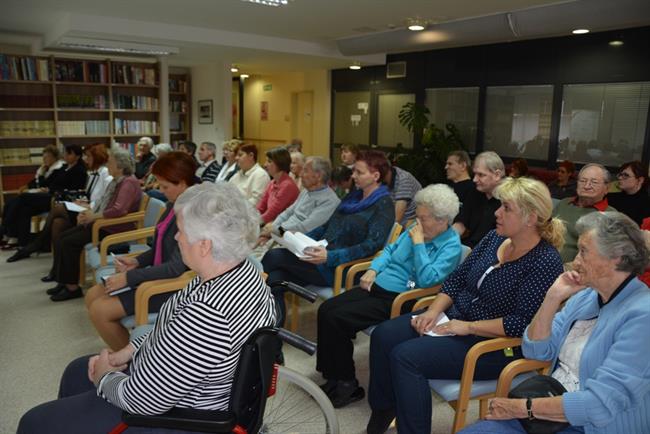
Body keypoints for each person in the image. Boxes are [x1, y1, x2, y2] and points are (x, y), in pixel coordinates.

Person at [17, 182, 276, 434]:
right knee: (76, 371)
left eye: (182, 231)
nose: (176, 237)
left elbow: (143, 401)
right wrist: (130, 350)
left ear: (204, 245)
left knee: (34, 423)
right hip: (175, 385)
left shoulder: (209, 314)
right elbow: (170, 329)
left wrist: (105, 378)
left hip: (180, 417)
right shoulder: (241, 274)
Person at [366, 177, 565, 434]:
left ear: (531, 218)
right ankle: (384, 409)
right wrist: (433, 311)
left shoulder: (545, 262)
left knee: (406, 358)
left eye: (506, 208)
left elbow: (522, 323)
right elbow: (457, 279)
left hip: (492, 345)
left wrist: (469, 327)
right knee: (383, 336)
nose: (497, 213)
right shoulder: (494, 238)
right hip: (453, 319)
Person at [459, 211, 650, 434]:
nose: (575, 261)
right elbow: (535, 351)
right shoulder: (586, 297)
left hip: (594, 425)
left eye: (584, 252)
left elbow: (600, 404)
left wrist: (523, 407)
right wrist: (552, 298)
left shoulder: (642, 316)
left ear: (616, 257)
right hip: (548, 411)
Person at [316, 184, 463, 408]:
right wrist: (374, 269)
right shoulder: (416, 226)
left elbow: (427, 279)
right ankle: (333, 375)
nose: (418, 222)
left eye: (424, 218)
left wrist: (419, 245)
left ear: (443, 220)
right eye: (419, 216)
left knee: (338, 318)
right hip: (378, 285)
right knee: (327, 309)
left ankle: (347, 383)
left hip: (402, 297)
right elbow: (390, 251)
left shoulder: (451, 246)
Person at [262, 150, 396, 325]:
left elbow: (371, 245)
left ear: (376, 175)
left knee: (273, 256)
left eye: (359, 172)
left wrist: (330, 256)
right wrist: (301, 241)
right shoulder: (353, 196)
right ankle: (272, 330)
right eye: (354, 171)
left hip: (341, 266)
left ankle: (250, 316)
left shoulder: (383, 205)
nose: (353, 175)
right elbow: (327, 227)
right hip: (320, 254)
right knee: (275, 278)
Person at [84, 152, 196, 350]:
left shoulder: (193, 211)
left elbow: (176, 267)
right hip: (157, 277)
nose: (161, 191)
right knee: (93, 294)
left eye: (165, 186)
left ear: (183, 182)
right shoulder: (175, 203)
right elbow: (161, 246)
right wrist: (137, 261)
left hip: (174, 287)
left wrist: (131, 277)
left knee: (100, 310)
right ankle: (131, 352)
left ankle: (135, 363)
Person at [47, 148, 142, 302]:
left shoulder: (128, 182)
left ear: (120, 166)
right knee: (61, 237)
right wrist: (88, 213)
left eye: (110, 162)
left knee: (67, 242)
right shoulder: (116, 181)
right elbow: (103, 204)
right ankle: (63, 281)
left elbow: (119, 209)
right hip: (104, 223)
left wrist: (93, 217)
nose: (108, 165)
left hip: (113, 228)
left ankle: (72, 288)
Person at [7, 143, 112, 263]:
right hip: (84, 207)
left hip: (91, 212)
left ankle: (36, 244)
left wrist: (88, 205)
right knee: (57, 222)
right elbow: (89, 195)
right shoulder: (94, 173)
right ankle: (55, 266)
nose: (86, 159)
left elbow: (103, 201)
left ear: (97, 157)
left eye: (88, 157)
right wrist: (82, 201)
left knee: (57, 208)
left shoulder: (104, 174)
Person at [0, 144, 87, 249]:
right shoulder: (66, 167)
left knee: (22, 197)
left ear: (77, 156)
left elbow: (71, 188)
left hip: (55, 198)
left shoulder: (78, 170)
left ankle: (4, 231)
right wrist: (47, 186)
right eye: (65, 153)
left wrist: (49, 188)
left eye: (69, 153)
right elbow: (52, 183)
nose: (66, 156)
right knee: (24, 208)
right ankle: (21, 241)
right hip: (48, 194)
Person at [258, 156, 340, 244]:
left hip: (299, 243)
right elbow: (288, 212)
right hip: (282, 234)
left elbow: (305, 228)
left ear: (318, 176)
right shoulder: (306, 191)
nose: (300, 175)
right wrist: (272, 229)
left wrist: (275, 231)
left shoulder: (329, 201)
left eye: (305, 171)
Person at [553, 163, 615, 263]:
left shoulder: (610, 215)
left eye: (594, 182)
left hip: (573, 271)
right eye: (582, 181)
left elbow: (600, 258)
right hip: (543, 259)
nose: (586, 186)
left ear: (607, 188)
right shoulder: (564, 203)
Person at [452, 151, 505, 248]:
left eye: (481, 175)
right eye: (475, 174)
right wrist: (444, 244)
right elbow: (460, 224)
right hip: (470, 249)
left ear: (497, 175)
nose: (474, 179)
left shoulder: (509, 200)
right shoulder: (475, 192)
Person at [257, 147, 300, 225]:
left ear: (280, 163)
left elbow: (273, 212)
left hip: (282, 228)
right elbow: (261, 207)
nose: (265, 165)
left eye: (269, 161)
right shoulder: (272, 182)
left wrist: (253, 223)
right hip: (271, 224)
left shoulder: (288, 185)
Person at [607, 160, 650, 226]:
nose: (620, 178)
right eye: (620, 174)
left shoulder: (647, 204)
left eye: (625, 175)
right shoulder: (610, 198)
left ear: (640, 180)